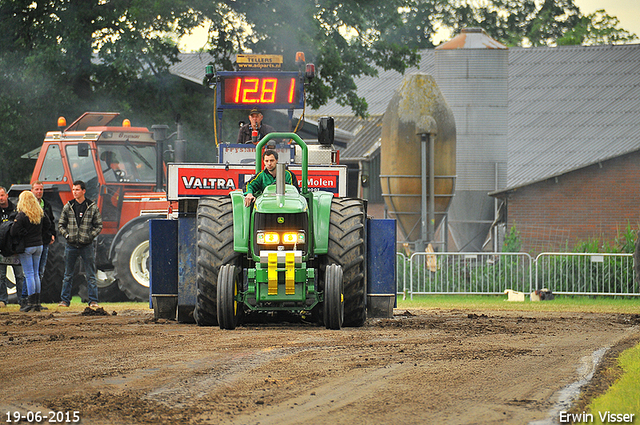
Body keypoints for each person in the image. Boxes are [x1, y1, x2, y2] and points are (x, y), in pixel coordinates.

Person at [58, 180, 103, 308]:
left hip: (86, 245)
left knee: (90, 274)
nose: (75, 192)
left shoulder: (92, 206)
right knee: (68, 274)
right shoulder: (68, 206)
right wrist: (67, 235)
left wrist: (90, 236)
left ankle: (93, 301)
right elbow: (61, 224)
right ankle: (65, 300)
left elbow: (99, 225)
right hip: (71, 245)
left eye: (77, 190)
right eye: (73, 190)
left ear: (83, 191)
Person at [11, 191, 51, 312]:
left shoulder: (22, 215)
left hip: (27, 247)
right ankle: (37, 302)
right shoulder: (40, 213)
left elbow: (13, 231)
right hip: (39, 245)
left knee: (28, 274)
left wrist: (24, 234)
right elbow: (48, 225)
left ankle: (30, 302)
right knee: (35, 274)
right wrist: (40, 235)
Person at [23, 181, 56, 310]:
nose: (39, 192)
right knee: (31, 273)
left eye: (41, 189)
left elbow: (51, 222)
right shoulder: (27, 206)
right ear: (32, 190)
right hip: (34, 243)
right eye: (36, 189)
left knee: (37, 272)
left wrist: (51, 234)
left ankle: (35, 301)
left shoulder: (46, 205)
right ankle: (26, 299)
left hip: (42, 242)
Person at [0, 186, 25, 308]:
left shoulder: (16, 209)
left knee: (19, 276)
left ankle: (22, 300)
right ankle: (3, 300)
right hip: (1, 250)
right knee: (1, 276)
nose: (0, 198)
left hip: (14, 250)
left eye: (2, 195)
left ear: (7, 195)